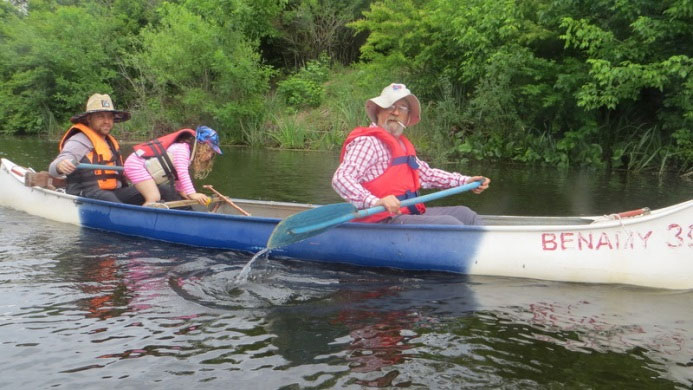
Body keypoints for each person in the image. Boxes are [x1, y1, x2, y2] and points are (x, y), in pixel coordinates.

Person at [332, 83, 491, 225]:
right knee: (448, 224)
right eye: (390, 106)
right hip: (380, 219)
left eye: (402, 108)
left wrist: (465, 181)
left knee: (465, 215)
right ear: (379, 111)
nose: (395, 112)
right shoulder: (368, 143)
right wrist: (374, 201)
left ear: (407, 117)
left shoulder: (402, 145)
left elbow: (427, 175)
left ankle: (485, 252)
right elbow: (341, 178)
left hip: (405, 214)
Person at [49, 93, 180, 204]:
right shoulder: (79, 141)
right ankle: (134, 219)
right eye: (101, 116)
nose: (107, 121)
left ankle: (187, 215)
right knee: (108, 198)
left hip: (114, 192)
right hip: (85, 194)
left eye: (110, 117)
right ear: (89, 119)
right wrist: (61, 166)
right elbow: (54, 167)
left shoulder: (110, 142)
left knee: (162, 189)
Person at [123, 126, 222, 207]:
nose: (209, 155)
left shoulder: (187, 154)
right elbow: (182, 173)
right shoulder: (182, 150)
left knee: (160, 196)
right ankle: (143, 221)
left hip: (142, 166)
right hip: (136, 165)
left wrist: (187, 195)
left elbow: (179, 181)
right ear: (200, 146)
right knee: (154, 198)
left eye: (212, 153)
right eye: (208, 150)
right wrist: (193, 194)